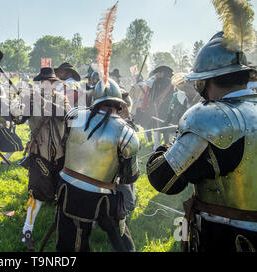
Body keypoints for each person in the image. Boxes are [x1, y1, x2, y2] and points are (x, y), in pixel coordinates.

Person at [146, 32, 257, 252]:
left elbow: (163, 179)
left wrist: (172, 145)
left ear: (205, 80)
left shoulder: (209, 118)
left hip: (227, 237)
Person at [55, 78, 140, 252]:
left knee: (70, 243)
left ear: (95, 99)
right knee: (118, 235)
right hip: (104, 196)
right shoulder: (126, 132)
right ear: (120, 104)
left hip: (69, 189)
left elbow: (65, 146)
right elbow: (130, 176)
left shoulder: (74, 115)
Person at [14, 67, 71, 251]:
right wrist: (17, 108)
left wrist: (44, 102)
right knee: (36, 196)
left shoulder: (62, 100)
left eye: (51, 82)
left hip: (61, 156)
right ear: (39, 84)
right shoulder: (30, 101)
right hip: (40, 155)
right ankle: (27, 230)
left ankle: (63, 228)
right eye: (44, 82)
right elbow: (18, 119)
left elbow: (67, 116)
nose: (48, 85)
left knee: (62, 194)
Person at [0, 84, 24, 165]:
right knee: (16, 143)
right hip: (0, 129)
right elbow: (8, 116)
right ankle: (4, 161)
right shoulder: (1, 103)